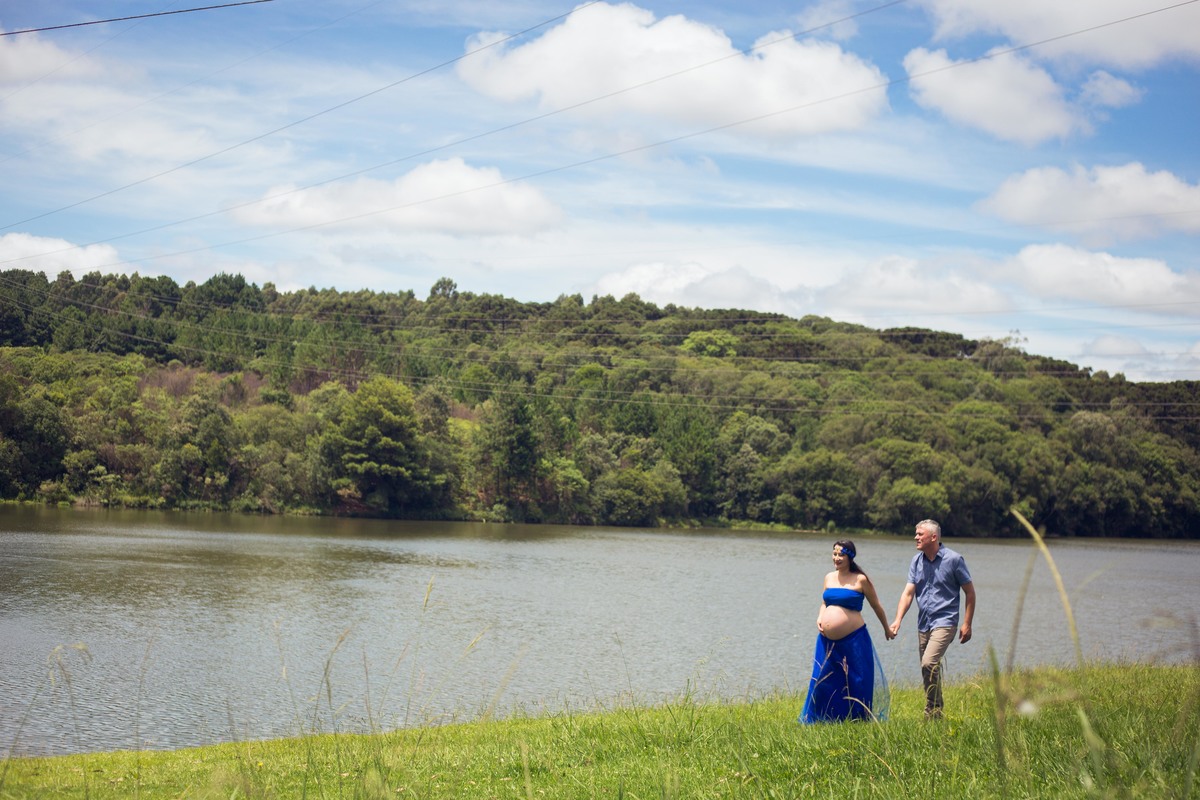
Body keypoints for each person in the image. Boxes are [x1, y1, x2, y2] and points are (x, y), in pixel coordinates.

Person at [800, 539, 894, 723]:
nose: (836, 558)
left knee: (856, 680)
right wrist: (820, 617)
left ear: (850, 557)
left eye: (840, 554)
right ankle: (819, 718)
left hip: (854, 640)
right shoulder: (829, 577)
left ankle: (857, 719)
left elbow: (876, 606)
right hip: (826, 640)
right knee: (822, 678)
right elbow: (825, 603)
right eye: (834, 554)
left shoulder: (860, 579)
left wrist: (887, 629)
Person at [890, 519, 976, 720]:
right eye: (916, 533)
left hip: (946, 622)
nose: (916, 537)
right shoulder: (916, 561)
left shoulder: (954, 560)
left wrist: (967, 623)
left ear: (934, 537)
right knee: (927, 669)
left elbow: (970, 592)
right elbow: (908, 593)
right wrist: (898, 620)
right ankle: (936, 713)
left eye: (920, 534)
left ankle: (932, 710)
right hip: (924, 623)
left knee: (929, 663)